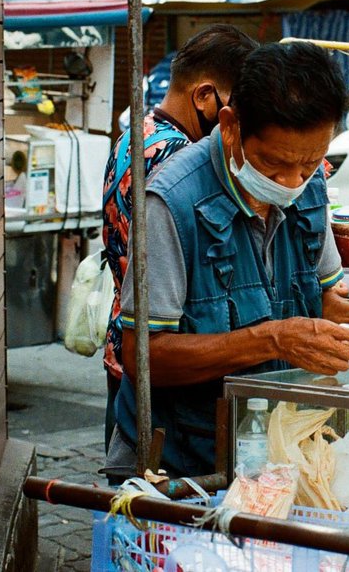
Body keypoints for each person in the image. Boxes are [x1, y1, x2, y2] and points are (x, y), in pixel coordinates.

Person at [108, 41, 349, 478]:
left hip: (272, 452)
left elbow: (326, 302)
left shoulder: (308, 188)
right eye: (275, 165)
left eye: (309, 164)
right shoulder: (170, 203)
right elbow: (145, 358)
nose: (292, 182)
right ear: (231, 126)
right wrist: (273, 339)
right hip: (181, 463)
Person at [101, 24, 258, 453]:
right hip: (159, 363)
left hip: (124, 348)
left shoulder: (138, 132)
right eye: (239, 109)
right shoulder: (178, 163)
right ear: (205, 96)